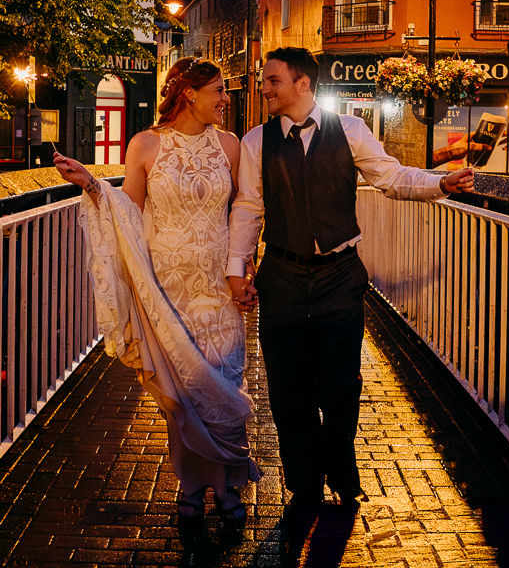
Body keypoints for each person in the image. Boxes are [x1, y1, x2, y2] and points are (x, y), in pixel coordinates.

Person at [227, 46, 474, 522]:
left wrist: (439, 184)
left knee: (340, 386)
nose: (263, 88)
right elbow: (248, 208)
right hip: (281, 276)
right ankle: (303, 485)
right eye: (264, 80)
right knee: (287, 388)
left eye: (273, 80)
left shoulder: (352, 129)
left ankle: (342, 474)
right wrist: (238, 269)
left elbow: (391, 177)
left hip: (340, 276)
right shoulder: (256, 141)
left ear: (303, 84)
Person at [55, 59, 260, 528]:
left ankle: (227, 486)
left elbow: (243, 214)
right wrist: (90, 183)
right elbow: (129, 209)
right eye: (219, 90)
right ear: (189, 93)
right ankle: (190, 488)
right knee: (181, 391)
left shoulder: (229, 146)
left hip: (217, 287)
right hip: (167, 287)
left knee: (224, 385)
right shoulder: (146, 144)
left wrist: (243, 269)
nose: (226, 100)